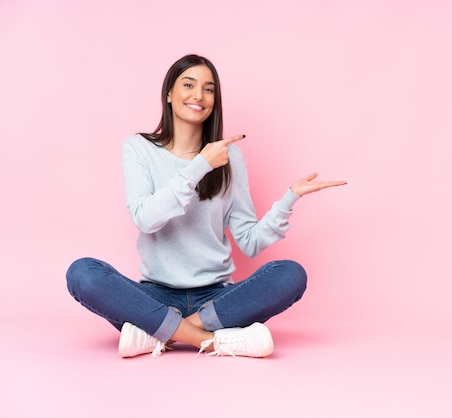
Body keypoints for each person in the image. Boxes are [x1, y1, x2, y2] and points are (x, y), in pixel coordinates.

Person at [66, 54, 347, 359]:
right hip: (155, 294)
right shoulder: (139, 148)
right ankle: (214, 341)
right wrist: (199, 166)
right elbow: (146, 219)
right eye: (189, 84)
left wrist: (289, 198)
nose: (199, 95)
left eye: (209, 89)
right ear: (169, 94)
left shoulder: (230, 158)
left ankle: (162, 333)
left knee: (291, 274)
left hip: (217, 298)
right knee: (83, 274)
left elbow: (250, 242)